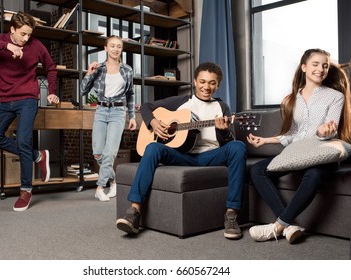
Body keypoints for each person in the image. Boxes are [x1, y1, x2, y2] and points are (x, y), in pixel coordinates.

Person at [116, 62, 247, 239]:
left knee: (238, 146)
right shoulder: (183, 102)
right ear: (194, 81)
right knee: (153, 147)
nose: (206, 87)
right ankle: (134, 212)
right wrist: (153, 123)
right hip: (182, 155)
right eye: (202, 81)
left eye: (212, 83)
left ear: (218, 85)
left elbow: (228, 144)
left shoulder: (222, 108)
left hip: (210, 156)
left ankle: (231, 215)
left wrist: (222, 131)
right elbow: (146, 106)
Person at [247, 48, 351, 243]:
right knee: (257, 170)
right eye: (316, 64)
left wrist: (323, 132)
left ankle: (278, 226)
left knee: (314, 174)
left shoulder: (335, 96)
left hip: (322, 153)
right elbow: (293, 133)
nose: (321, 69)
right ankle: (289, 227)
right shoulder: (292, 98)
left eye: (325, 65)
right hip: (297, 154)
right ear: (303, 67)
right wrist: (266, 140)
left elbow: (332, 129)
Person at [0, 12, 60, 212]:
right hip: (6, 101)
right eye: (22, 34)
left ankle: (26, 190)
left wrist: (51, 92)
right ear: (12, 30)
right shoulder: (1, 41)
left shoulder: (36, 45)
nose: (26, 39)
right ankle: (37, 156)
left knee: (23, 140)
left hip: (28, 100)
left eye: (29, 34)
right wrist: (6, 46)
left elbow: (51, 68)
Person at [80, 35, 136, 202]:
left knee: (110, 152)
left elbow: (130, 94)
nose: (115, 49)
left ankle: (100, 187)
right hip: (101, 111)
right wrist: (88, 74)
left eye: (118, 46)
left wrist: (132, 116)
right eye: (112, 46)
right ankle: (113, 180)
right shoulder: (98, 68)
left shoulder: (127, 70)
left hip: (118, 112)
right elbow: (83, 91)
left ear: (121, 49)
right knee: (98, 153)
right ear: (105, 48)